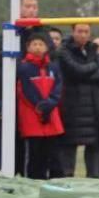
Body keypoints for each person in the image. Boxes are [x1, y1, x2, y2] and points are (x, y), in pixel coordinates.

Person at [57, 22, 99, 178]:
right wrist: (94, 65)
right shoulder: (64, 51)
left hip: (94, 106)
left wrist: (90, 67)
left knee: (94, 147)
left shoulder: (93, 50)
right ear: (73, 31)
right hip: (72, 105)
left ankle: (93, 179)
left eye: (86, 31)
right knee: (69, 146)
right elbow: (76, 71)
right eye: (80, 31)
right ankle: (67, 180)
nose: (83, 35)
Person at [17, 33, 63, 179]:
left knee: (54, 154)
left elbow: (58, 87)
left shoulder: (53, 67)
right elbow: (25, 91)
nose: (37, 47)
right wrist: (40, 106)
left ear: (47, 47)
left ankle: (57, 181)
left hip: (51, 116)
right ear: (28, 47)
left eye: (41, 44)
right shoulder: (23, 68)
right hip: (33, 116)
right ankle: (35, 180)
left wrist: (51, 103)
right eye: (34, 44)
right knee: (35, 155)